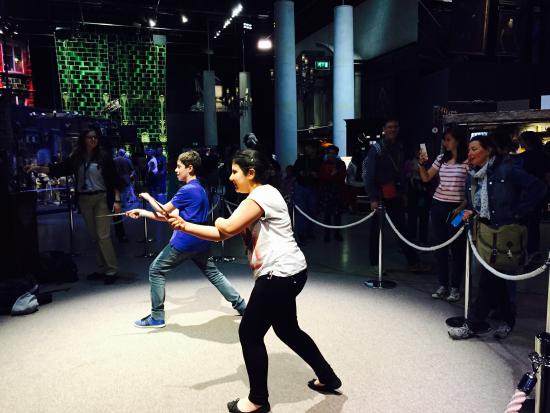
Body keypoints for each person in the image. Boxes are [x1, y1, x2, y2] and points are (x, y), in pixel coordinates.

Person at [168, 148, 341, 413]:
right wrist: (184, 226)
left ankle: (257, 400)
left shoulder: (263, 194)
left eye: (235, 172)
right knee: (287, 330)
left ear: (251, 173)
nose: (230, 177)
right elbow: (222, 235)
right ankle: (327, 377)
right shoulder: (256, 198)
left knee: (249, 332)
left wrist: (219, 218)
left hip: (278, 275)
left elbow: (225, 227)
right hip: (289, 273)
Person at [126, 150, 246, 327]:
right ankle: (242, 306)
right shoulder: (200, 188)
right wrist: (143, 212)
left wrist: (147, 196)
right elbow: (169, 216)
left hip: (185, 241)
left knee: (155, 270)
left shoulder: (186, 190)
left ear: (189, 168)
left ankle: (157, 316)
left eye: (179, 166)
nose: (175, 170)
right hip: (201, 239)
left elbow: (163, 210)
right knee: (214, 274)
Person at [448, 134, 546, 340]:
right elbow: (475, 202)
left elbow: (538, 187)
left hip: (505, 234)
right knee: (497, 280)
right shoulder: (472, 174)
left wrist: (519, 212)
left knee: (491, 279)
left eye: (475, 149)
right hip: (484, 233)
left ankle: (473, 324)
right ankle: (507, 319)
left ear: (489, 150)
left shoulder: (507, 169)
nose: (470, 153)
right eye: (469, 149)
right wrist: (470, 212)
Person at [26, 128, 122, 284]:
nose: (93, 140)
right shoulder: (77, 157)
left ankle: (111, 270)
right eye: (89, 137)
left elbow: (114, 179)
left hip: (101, 197)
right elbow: (59, 168)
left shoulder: (104, 157)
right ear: (84, 139)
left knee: (103, 236)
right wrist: (38, 168)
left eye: (95, 137)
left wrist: (117, 200)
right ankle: (102, 268)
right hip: (84, 199)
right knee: (94, 236)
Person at [362, 118, 429, 273]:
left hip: (395, 193)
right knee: (376, 230)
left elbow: (401, 173)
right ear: (384, 129)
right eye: (389, 127)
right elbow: (369, 175)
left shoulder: (399, 147)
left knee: (402, 229)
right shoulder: (376, 149)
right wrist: (373, 198)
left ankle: (413, 262)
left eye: (395, 127)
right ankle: (374, 263)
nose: (393, 129)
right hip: (380, 195)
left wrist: (403, 192)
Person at [418, 126, 469, 302]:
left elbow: (472, 187)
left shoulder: (468, 160)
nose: (445, 143)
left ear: (458, 140)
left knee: (457, 247)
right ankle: (443, 285)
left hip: (458, 210)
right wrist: (421, 164)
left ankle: (455, 287)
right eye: (444, 140)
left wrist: (464, 205)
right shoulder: (441, 158)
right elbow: (426, 178)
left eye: (448, 139)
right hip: (439, 206)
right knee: (440, 246)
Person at [518, 131, 550, 261]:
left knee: (524, 222)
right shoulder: (544, 156)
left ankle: (523, 250)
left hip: (524, 193)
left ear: (527, 141)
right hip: (540, 192)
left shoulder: (521, 158)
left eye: (521, 140)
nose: (520, 142)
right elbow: (547, 176)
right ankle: (533, 250)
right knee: (534, 222)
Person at [293, 141, 322, 245]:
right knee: (302, 211)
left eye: (309, 147)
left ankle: (309, 232)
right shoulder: (301, 159)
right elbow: (294, 171)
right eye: (306, 147)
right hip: (302, 187)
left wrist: (317, 175)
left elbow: (322, 174)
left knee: (312, 211)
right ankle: (302, 234)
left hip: (313, 188)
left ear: (314, 149)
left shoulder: (319, 161)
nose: (306, 149)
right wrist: (300, 173)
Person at [318, 145, 347, 242]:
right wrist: (331, 175)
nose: (331, 155)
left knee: (337, 215)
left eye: (333, 153)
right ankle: (327, 234)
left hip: (337, 192)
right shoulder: (324, 164)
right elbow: (322, 177)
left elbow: (342, 176)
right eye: (329, 153)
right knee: (327, 214)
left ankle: (337, 234)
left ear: (336, 154)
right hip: (327, 192)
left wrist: (332, 176)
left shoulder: (341, 164)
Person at [113, 148, 135, 242]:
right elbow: (132, 171)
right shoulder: (127, 160)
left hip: (116, 182)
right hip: (126, 180)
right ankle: (124, 211)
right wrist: (130, 177)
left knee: (118, 199)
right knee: (124, 196)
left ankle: (120, 212)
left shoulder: (114, 160)